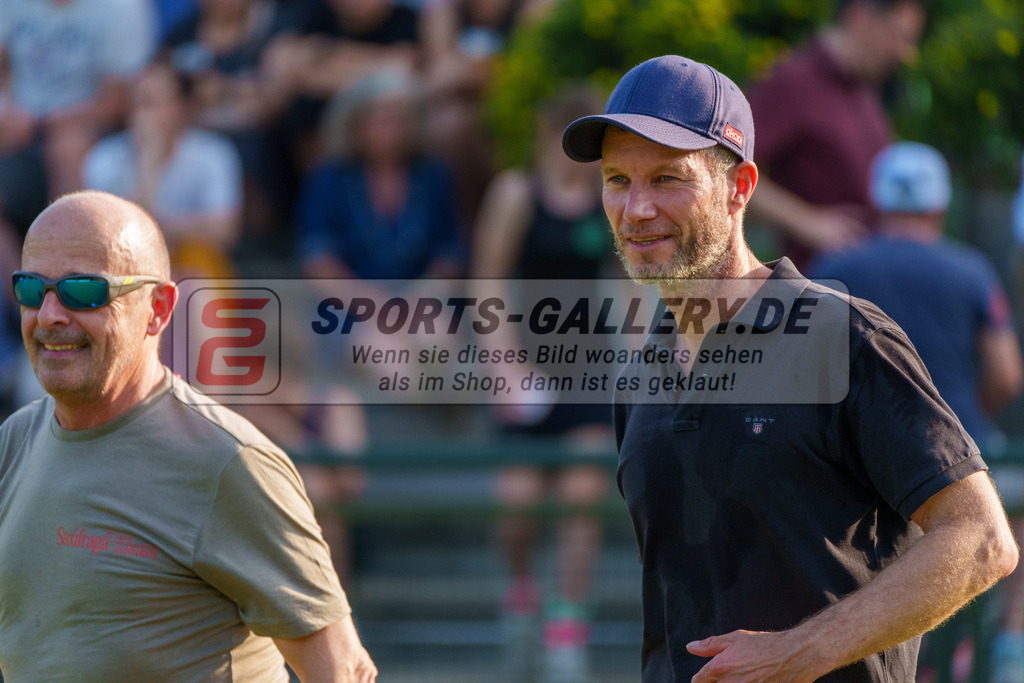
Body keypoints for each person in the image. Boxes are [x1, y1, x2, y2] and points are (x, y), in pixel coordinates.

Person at [560, 54, 1019, 681]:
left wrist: (796, 653)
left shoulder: (847, 337)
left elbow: (980, 539)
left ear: (740, 188)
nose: (636, 208)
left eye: (668, 178)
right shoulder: (642, 372)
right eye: (617, 179)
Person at [0, 190, 377, 681]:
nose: (49, 314)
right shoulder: (13, 442)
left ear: (157, 308)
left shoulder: (228, 462)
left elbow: (343, 671)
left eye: (83, 290)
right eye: (32, 289)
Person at [471, 85, 615, 681]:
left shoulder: (609, 200)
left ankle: (566, 622)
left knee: (583, 496)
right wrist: (503, 365)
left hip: (587, 372)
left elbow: (629, 287)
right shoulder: (515, 193)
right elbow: (488, 282)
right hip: (524, 369)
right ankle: (523, 593)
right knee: (518, 507)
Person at [745, 0, 925, 269]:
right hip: (813, 288)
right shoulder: (793, 83)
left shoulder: (865, 93)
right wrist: (807, 222)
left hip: (867, 286)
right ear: (860, 17)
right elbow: (728, 169)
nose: (903, 53)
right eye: (897, 36)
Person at [0, 0, 155, 235]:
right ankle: (14, 269)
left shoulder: (122, 8)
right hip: (17, 114)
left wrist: (39, 121)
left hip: (88, 120)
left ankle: (70, 249)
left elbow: (116, 101)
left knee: (67, 148)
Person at [83, 60, 244, 279]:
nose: (142, 114)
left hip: (195, 267)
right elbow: (112, 240)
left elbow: (224, 231)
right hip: (128, 271)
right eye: (138, 103)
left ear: (180, 107)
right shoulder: (103, 158)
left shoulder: (213, 153)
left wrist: (160, 228)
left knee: (195, 260)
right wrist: (148, 165)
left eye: (151, 102)